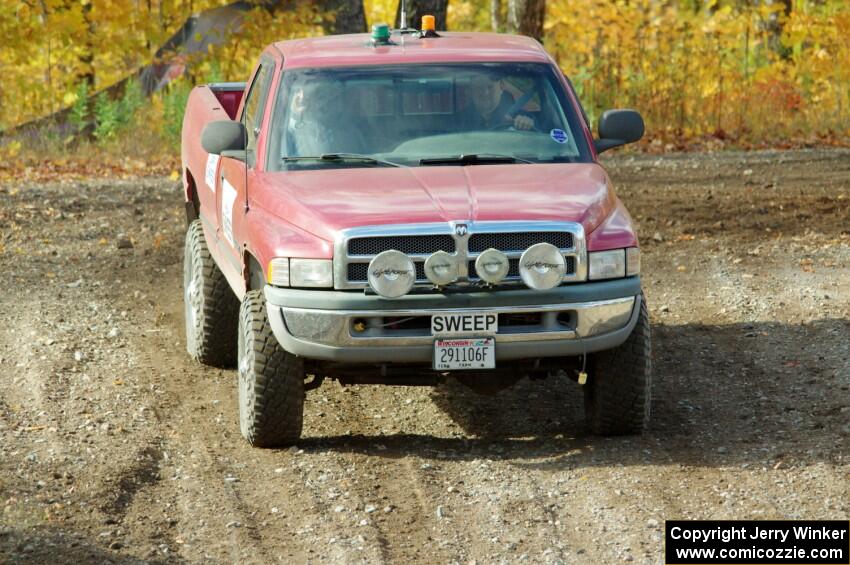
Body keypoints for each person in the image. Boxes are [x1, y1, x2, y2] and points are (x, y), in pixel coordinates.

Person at [458, 72, 536, 131]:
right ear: (470, 92)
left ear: (501, 86)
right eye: (479, 87)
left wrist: (528, 126)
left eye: (490, 87)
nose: (485, 92)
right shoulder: (459, 120)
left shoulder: (521, 117)